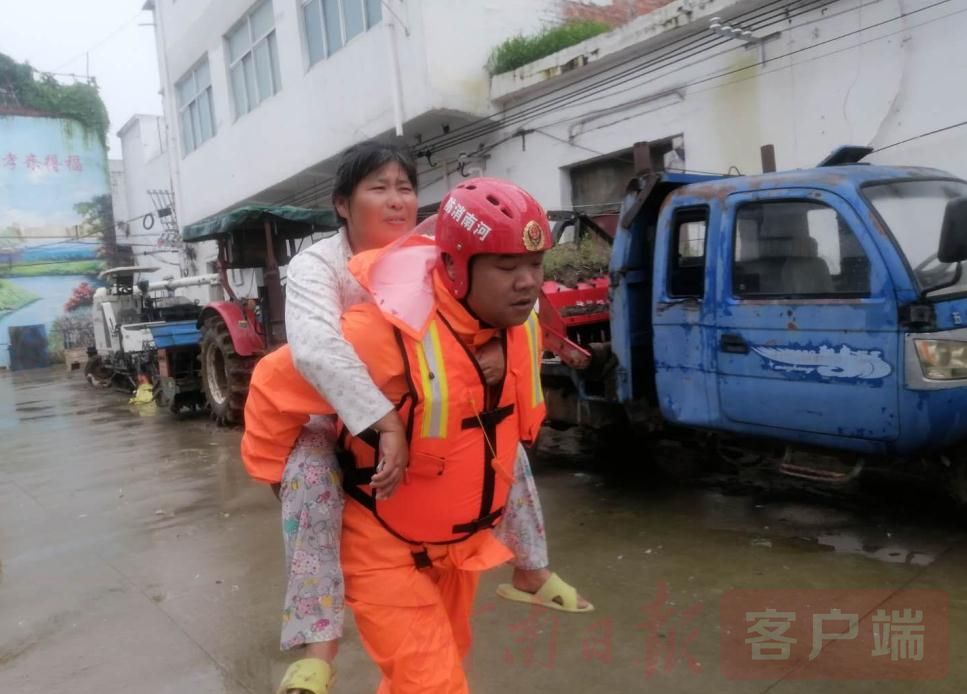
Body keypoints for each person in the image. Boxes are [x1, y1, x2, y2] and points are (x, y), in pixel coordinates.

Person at [245, 141, 589, 693]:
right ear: (341, 204)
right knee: (312, 483)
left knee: (503, 443)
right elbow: (312, 354)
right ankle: (319, 644)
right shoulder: (318, 268)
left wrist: (498, 350)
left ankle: (531, 564)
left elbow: (488, 307)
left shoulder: (431, 251)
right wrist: (378, 421)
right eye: (378, 188)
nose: (396, 200)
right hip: (331, 401)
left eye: (405, 187)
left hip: (428, 445)